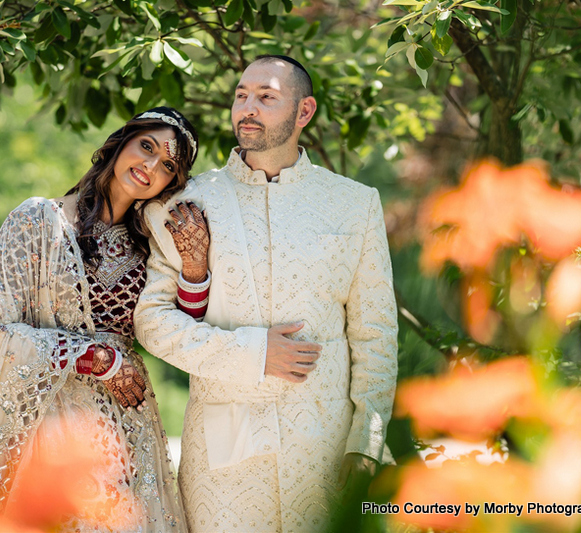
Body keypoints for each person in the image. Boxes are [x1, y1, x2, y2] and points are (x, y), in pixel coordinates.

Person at [134, 56, 399, 532]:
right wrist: (254, 353)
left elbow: (374, 332)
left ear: (304, 111)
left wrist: (367, 441)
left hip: (325, 447)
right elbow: (153, 322)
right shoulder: (186, 202)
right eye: (241, 96)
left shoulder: (355, 205)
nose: (248, 108)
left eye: (266, 97)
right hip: (222, 461)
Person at [0, 107, 210, 533]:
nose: (149, 166)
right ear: (120, 141)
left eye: (167, 166)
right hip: (45, 434)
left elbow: (180, 334)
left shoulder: (153, 247)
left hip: (125, 435)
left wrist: (195, 266)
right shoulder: (36, 221)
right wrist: (94, 356)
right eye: (146, 146)